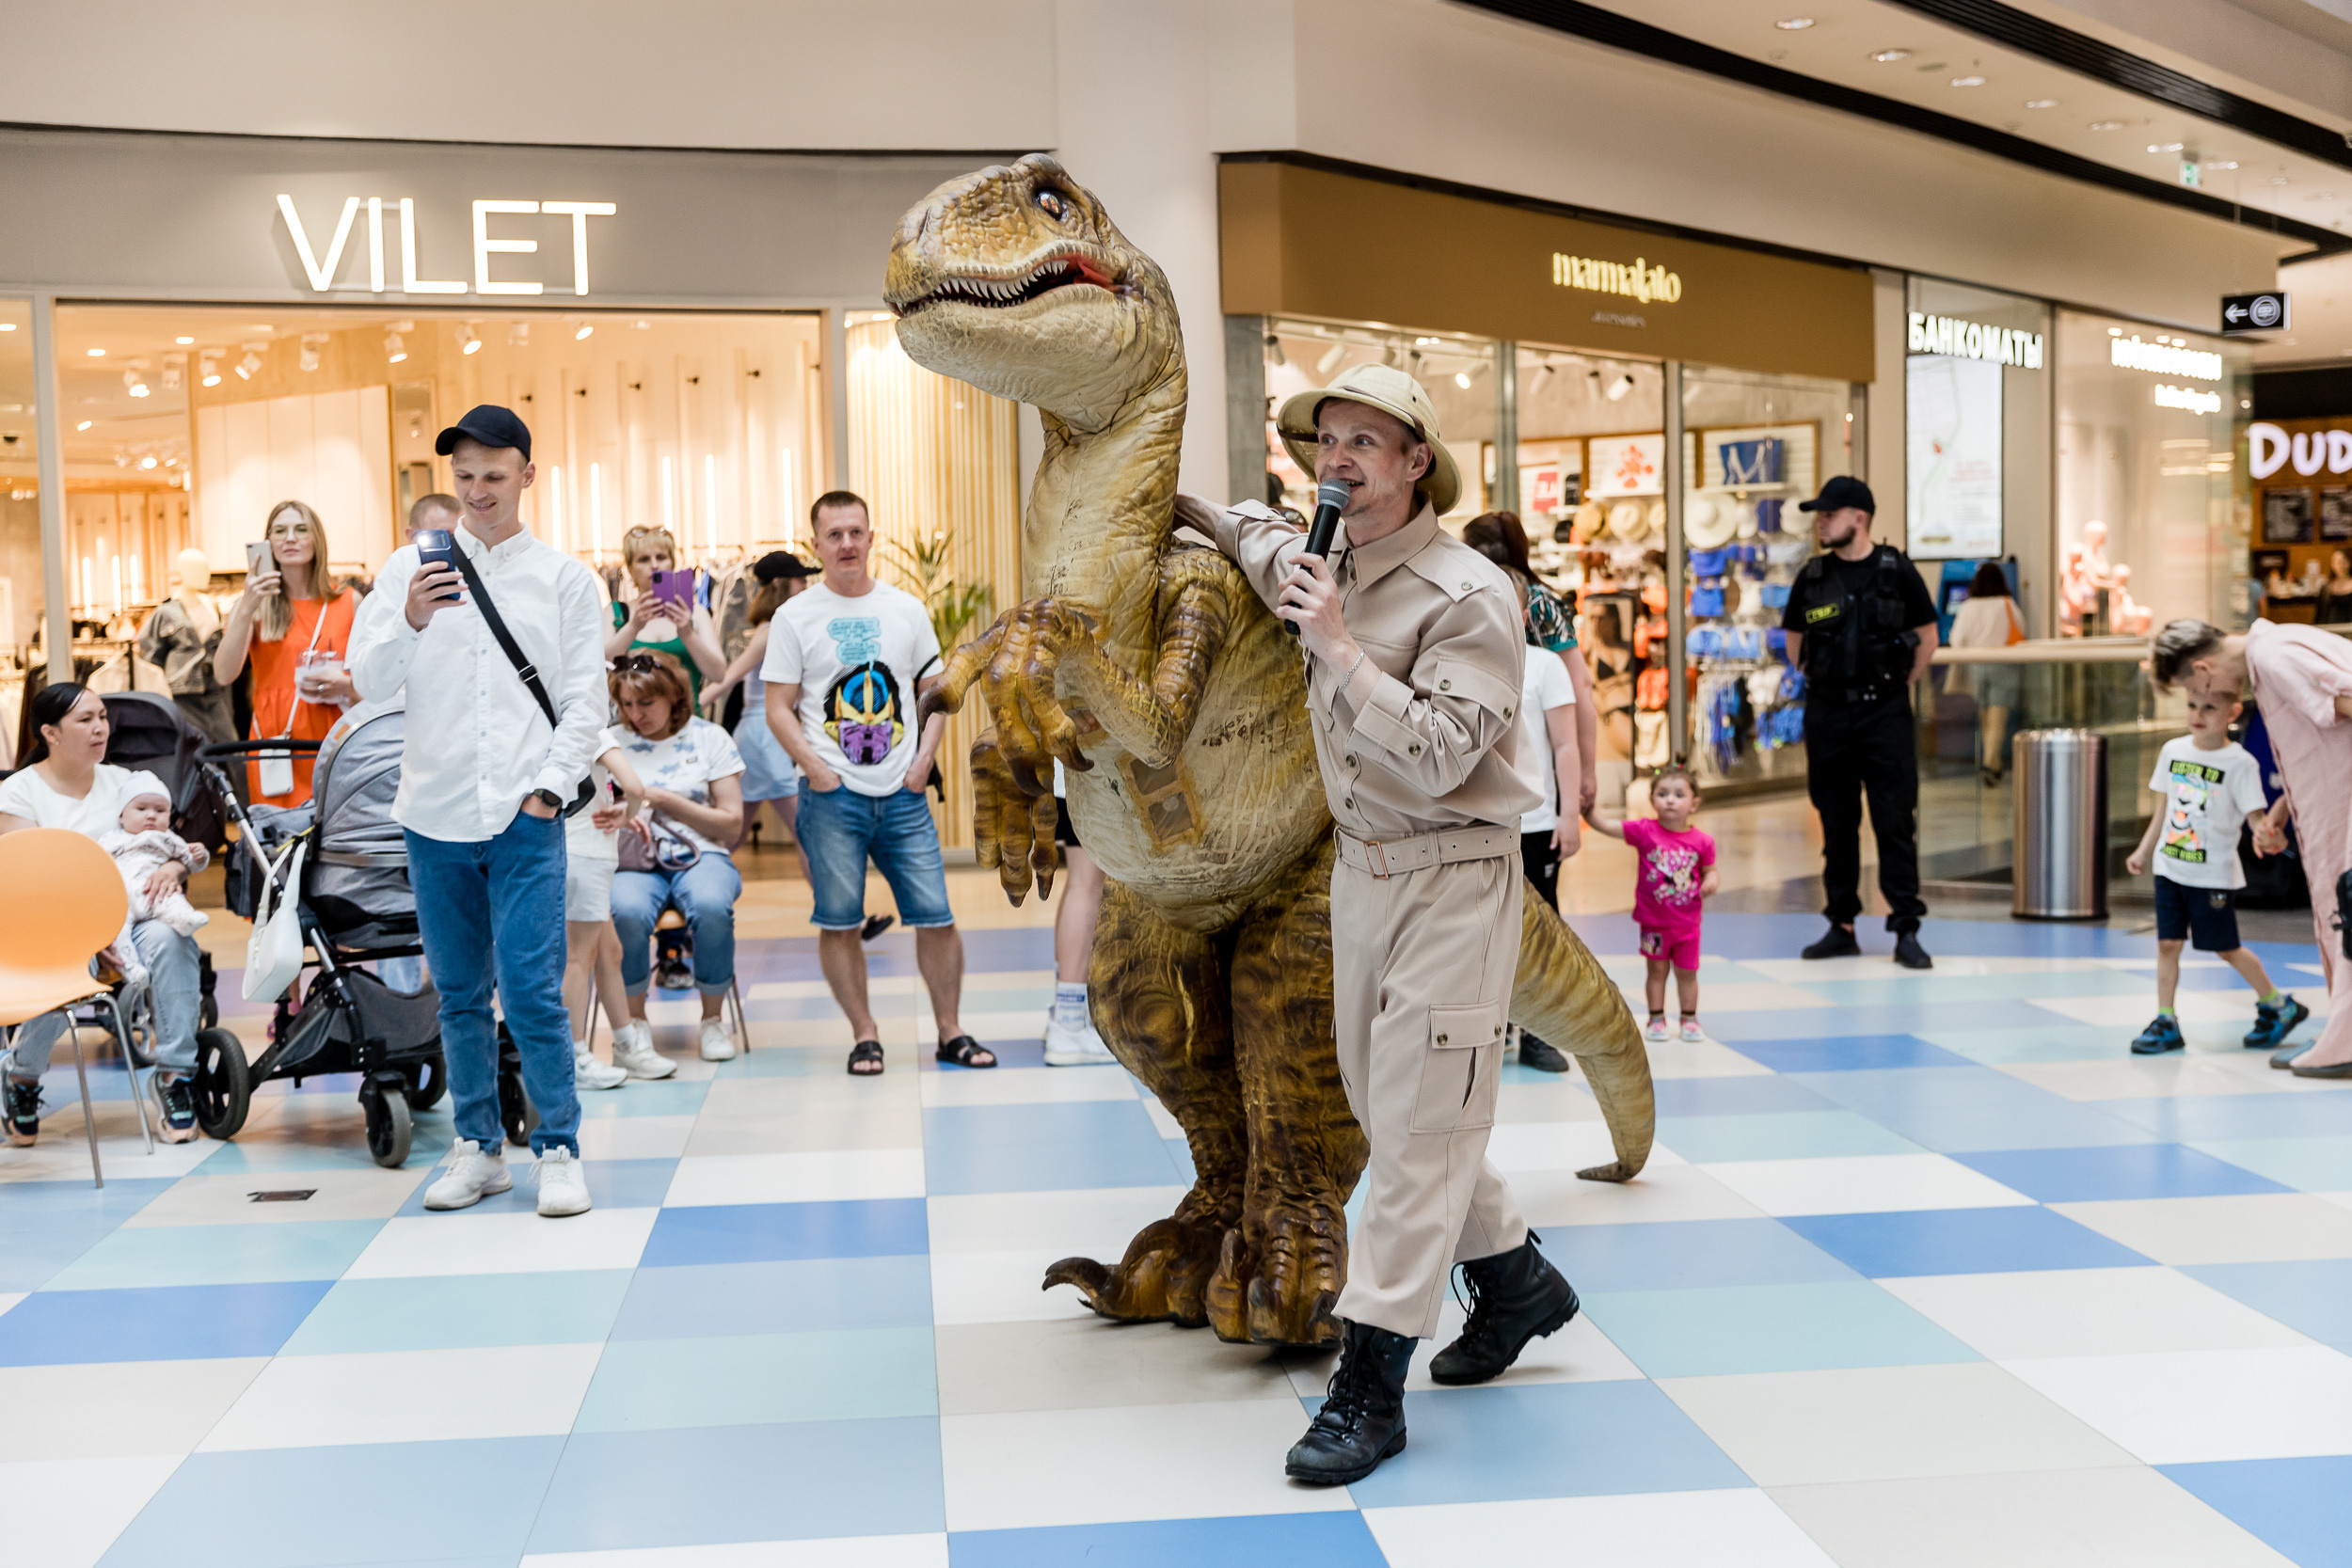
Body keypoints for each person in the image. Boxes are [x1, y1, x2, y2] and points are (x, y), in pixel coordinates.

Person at [1214, 363, 1576, 1486]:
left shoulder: (1470, 594)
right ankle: (1517, 1281)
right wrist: (1189, 515)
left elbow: (1446, 749)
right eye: (1327, 439)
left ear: (1417, 461)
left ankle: (1369, 1382)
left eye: (1366, 441)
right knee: (1397, 1102)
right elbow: (1244, 532)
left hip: (1457, 875)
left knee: (1416, 1131)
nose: (1338, 460)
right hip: (1358, 875)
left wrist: (1336, 645)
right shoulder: (1316, 554)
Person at [348, 404, 604, 1217]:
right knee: (457, 993)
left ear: (528, 475)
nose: (478, 491)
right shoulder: (403, 573)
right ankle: (478, 1147)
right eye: (464, 477)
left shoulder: (564, 579)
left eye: (494, 476)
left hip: (525, 819)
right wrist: (413, 618)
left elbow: (584, 702)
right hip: (433, 816)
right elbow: (368, 681)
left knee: (531, 990)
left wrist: (548, 792)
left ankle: (558, 1146)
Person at [763, 490, 984, 1075]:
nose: (847, 544)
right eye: (834, 535)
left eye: (856, 532)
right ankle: (865, 1034)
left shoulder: (905, 610)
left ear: (870, 537)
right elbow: (778, 707)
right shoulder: (795, 618)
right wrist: (814, 768)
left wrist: (923, 762)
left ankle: (950, 1030)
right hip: (832, 797)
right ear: (816, 545)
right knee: (839, 921)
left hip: (903, 793)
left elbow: (936, 696)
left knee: (936, 915)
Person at [0, 684, 203, 1143]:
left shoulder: (124, 783)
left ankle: (175, 1078)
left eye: (103, 718)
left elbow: (158, 842)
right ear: (50, 732)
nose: (100, 729)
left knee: (173, 941)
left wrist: (173, 866)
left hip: (128, 915)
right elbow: (23, 880)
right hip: (55, 924)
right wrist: (88, 931)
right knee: (68, 964)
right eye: (86, 720)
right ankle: (22, 1077)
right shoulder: (19, 792)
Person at [2152, 618, 2347, 1076]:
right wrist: (2286, 804)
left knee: (2346, 917)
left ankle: (2345, 1040)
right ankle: (2344, 1030)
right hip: (2332, 800)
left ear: (2202, 668)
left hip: (2344, 806)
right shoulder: (2275, 648)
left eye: (2191, 688)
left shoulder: (2274, 657)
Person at [1781, 477, 1940, 970]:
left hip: (1884, 713)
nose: (1821, 521)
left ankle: (1906, 929)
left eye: (1830, 514)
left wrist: (1890, 689)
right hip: (1829, 713)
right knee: (1836, 822)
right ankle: (1841, 925)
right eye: (1819, 515)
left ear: (1860, 518)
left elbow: (1927, 637)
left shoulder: (1897, 571)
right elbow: (1794, 642)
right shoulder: (1812, 577)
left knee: (1895, 823)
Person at [2122, 687, 2306, 1055]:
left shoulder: (2240, 762)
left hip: (2212, 875)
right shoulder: (2173, 751)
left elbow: (2255, 815)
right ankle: (2165, 1019)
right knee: (2167, 944)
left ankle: (2277, 1004)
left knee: (2225, 948)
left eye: (2209, 707)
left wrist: (2266, 834)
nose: (2198, 714)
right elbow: (2164, 808)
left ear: (2233, 712)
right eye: (2192, 705)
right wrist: (2144, 850)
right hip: (2169, 868)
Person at [608, 651, 749, 1062]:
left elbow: (730, 824)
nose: (636, 715)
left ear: (674, 697)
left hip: (702, 853)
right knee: (625, 912)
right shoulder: (610, 743)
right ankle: (633, 1024)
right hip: (631, 859)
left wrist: (662, 798)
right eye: (627, 705)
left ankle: (712, 1020)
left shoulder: (709, 738)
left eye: (647, 703)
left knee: (710, 906)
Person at [215, 499, 363, 808]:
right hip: (276, 744)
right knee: (278, 841)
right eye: (279, 530)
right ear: (267, 544)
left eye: (300, 529)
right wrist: (246, 606)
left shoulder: (349, 602)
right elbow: (224, 674)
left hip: (335, 733)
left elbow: (375, 679)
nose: (290, 537)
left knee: (337, 835)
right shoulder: (255, 608)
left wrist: (346, 685)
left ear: (317, 539)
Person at [1463, 511, 1599, 815]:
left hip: (1540, 743)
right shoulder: (1476, 592)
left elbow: (1579, 685)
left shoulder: (1537, 603)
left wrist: (1586, 770)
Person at [1583, 766, 1718, 1040]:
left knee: (1687, 972)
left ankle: (1689, 1019)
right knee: (1656, 970)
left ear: (1694, 804)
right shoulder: (1645, 831)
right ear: (1652, 799)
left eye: (1679, 794)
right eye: (1663, 793)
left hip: (1688, 925)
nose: (1670, 799)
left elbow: (1710, 870)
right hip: (1653, 924)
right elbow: (1609, 826)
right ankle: (1656, 1018)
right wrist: (1587, 810)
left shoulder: (1702, 841)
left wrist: (1711, 882)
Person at [563, 726, 661, 1088]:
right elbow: (635, 788)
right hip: (584, 856)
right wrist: (629, 809)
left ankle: (625, 1043)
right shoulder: (591, 730)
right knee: (578, 959)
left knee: (610, 952)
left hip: (580, 854)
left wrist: (621, 812)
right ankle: (573, 1058)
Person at [1509, 629, 1580, 1072]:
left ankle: (1540, 1034)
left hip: (1535, 823)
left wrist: (1568, 812)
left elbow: (1565, 744)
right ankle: (1492, 1032)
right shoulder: (1456, 648)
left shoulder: (1544, 665)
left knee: (1541, 930)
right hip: (1476, 822)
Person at [606, 524, 726, 706]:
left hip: (686, 724)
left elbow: (718, 674)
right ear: (630, 569)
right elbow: (599, 667)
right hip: (631, 726)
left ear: (672, 563)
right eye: (644, 559)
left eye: (661, 557)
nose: (654, 565)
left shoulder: (695, 613)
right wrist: (633, 627)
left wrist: (687, 634)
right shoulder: (616, 613)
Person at [1043, 761, 1115, 1066]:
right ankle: (1070, 1025)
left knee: (1079, 882)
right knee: (1088, 885)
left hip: (1070, 770)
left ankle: (1066, 1008)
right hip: (1088, 768)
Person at [99, 786, 210, 983]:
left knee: (170, 896)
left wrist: (200, 854)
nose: (151, 816)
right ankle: (131, 969)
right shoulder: (114, 838)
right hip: (120, 897)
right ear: (121, 816)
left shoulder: (168, 838)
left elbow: (190, 862)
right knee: (118, 934)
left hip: (152, 891)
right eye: (141, 810)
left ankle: (183, 919)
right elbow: (97, 856)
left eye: (160, 811)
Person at [137, 548, 237, 745]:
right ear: (183, 571)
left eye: (206, 568)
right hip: (182, 694)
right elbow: (150, 661)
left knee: (231, 747)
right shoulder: (165, 612)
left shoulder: (213, 605)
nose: (206, 573)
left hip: (215, 689)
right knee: (193, 748)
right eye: (199, 568)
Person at [1945, 562, 2025, 786]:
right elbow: (2021, 629)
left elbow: (1956, 640)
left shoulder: (1968, 606)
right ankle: (1991, 763)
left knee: (1985, 716)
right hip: (2004, 664)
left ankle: (1992, 763)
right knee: (1998, 717)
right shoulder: (2007, 604)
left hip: (1976, 665)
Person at [2318, 550, 2352, 626]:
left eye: (2343, 561)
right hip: (2331, 628)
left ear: (2349, 562)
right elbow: (2319, 614)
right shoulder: (2326, 587)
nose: (2340, 565)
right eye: (2336, 562)